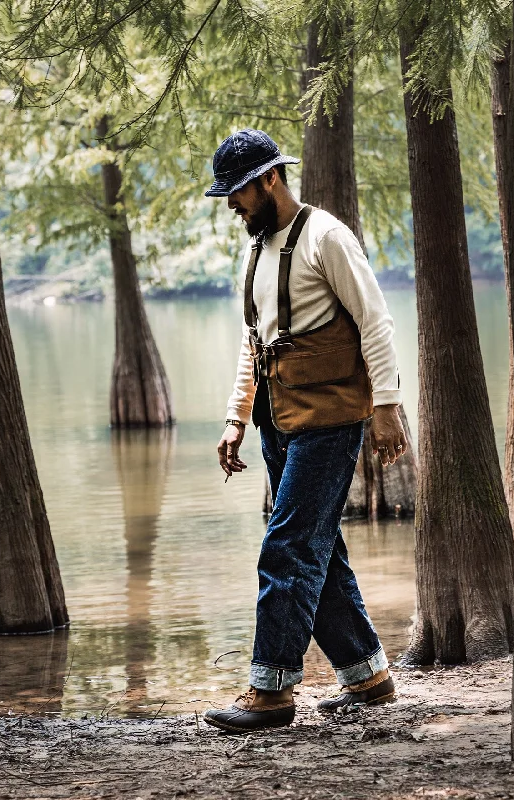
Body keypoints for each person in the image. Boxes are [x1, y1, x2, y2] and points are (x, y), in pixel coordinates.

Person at [203, 129, 408, 733]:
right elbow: (254, 343)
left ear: (270, 179)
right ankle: (368, 678)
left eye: (238, 192)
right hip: (277, 421)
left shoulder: (327, 237)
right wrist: (236, 418)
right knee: (320, 550)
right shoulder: (256, 250)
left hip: (331, 419)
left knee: (287, 547)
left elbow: (376, 322)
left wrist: (388, 406)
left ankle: (271, 691)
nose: (234, 206)